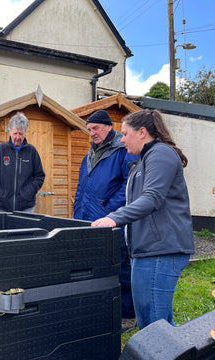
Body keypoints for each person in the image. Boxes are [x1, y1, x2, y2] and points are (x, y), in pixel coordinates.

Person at [92, 109, 195, 330]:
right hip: (148, 251)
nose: (122, 139)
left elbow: (152, 198)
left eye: (125, 133)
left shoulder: (161, 154)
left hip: (160, 251)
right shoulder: (144, 159)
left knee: (154, 327)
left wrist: (114, 218)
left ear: (142, 132)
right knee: (161, 324)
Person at [73, 109, 138, 333]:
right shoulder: (89, 154)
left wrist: (109, 209)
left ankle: (128, 314)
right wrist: (77, 215)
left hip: (113, 221)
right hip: (89, 220)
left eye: (96, 128)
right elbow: (82, 187)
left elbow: (129, 184)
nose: (91, 133)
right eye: (89, 129)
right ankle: (104, 308)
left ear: (109, 127)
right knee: (97, 267)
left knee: (120, 264)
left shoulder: (123, 150)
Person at [0, 112, 45, 213]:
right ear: (10, 131)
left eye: (20, 134)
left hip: (26, 208)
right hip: (1, 207)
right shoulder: (0, 149)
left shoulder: (32, 151)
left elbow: (40, 176)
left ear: (25, 133)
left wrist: (29, 192)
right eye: (15, 133)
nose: (17, 137)